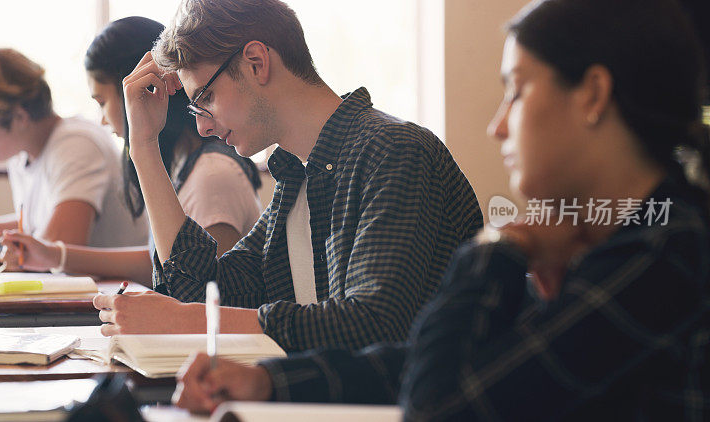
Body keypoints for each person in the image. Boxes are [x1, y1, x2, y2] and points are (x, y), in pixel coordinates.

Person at [172, 0, 710, 419]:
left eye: (516, 91)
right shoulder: (618, 233)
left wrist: (502, 244)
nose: (497, 125)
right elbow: (454, 362)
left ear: (592, 94)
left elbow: (439, 403)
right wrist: (268, 383)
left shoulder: (664, 249)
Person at [92, 0, 482, 351]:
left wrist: (187, 321)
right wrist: (143, 145)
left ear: (256, 62)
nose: (203, 129)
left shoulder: (394, 151)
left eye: (205, 99)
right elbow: (206, 292)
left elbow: (373, 325)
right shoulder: (297, 178)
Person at [0, 17, 263, 283]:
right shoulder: (186, 166)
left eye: (102, 102)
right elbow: (164, 261)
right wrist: (56, 256)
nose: (102, 119)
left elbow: (202, 290)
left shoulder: (212, 175)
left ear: (146, 89)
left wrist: (58, 255)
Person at [0, 48, 149, 249]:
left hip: (111, 295)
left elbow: (58, 247)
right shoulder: (24, 155)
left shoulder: (76, 144)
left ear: (19, 117)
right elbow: (33, 228)